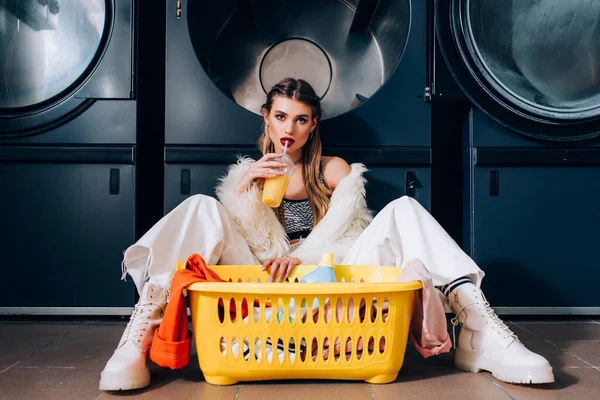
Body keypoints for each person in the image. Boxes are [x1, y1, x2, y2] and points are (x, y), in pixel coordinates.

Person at [99, 78, 554, 391]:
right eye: (281, 117)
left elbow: (349, 229)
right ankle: (141, 333)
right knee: (201, 206)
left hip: (330, 290)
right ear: (266, 118)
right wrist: (244, 189)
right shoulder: (249, 174)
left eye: (300, 119)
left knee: (404, 209)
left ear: (313, 123)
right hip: (261, 292)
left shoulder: (331, 170)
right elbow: (240, 239)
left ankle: (477, 331)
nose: (289, 129)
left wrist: (305, 259)